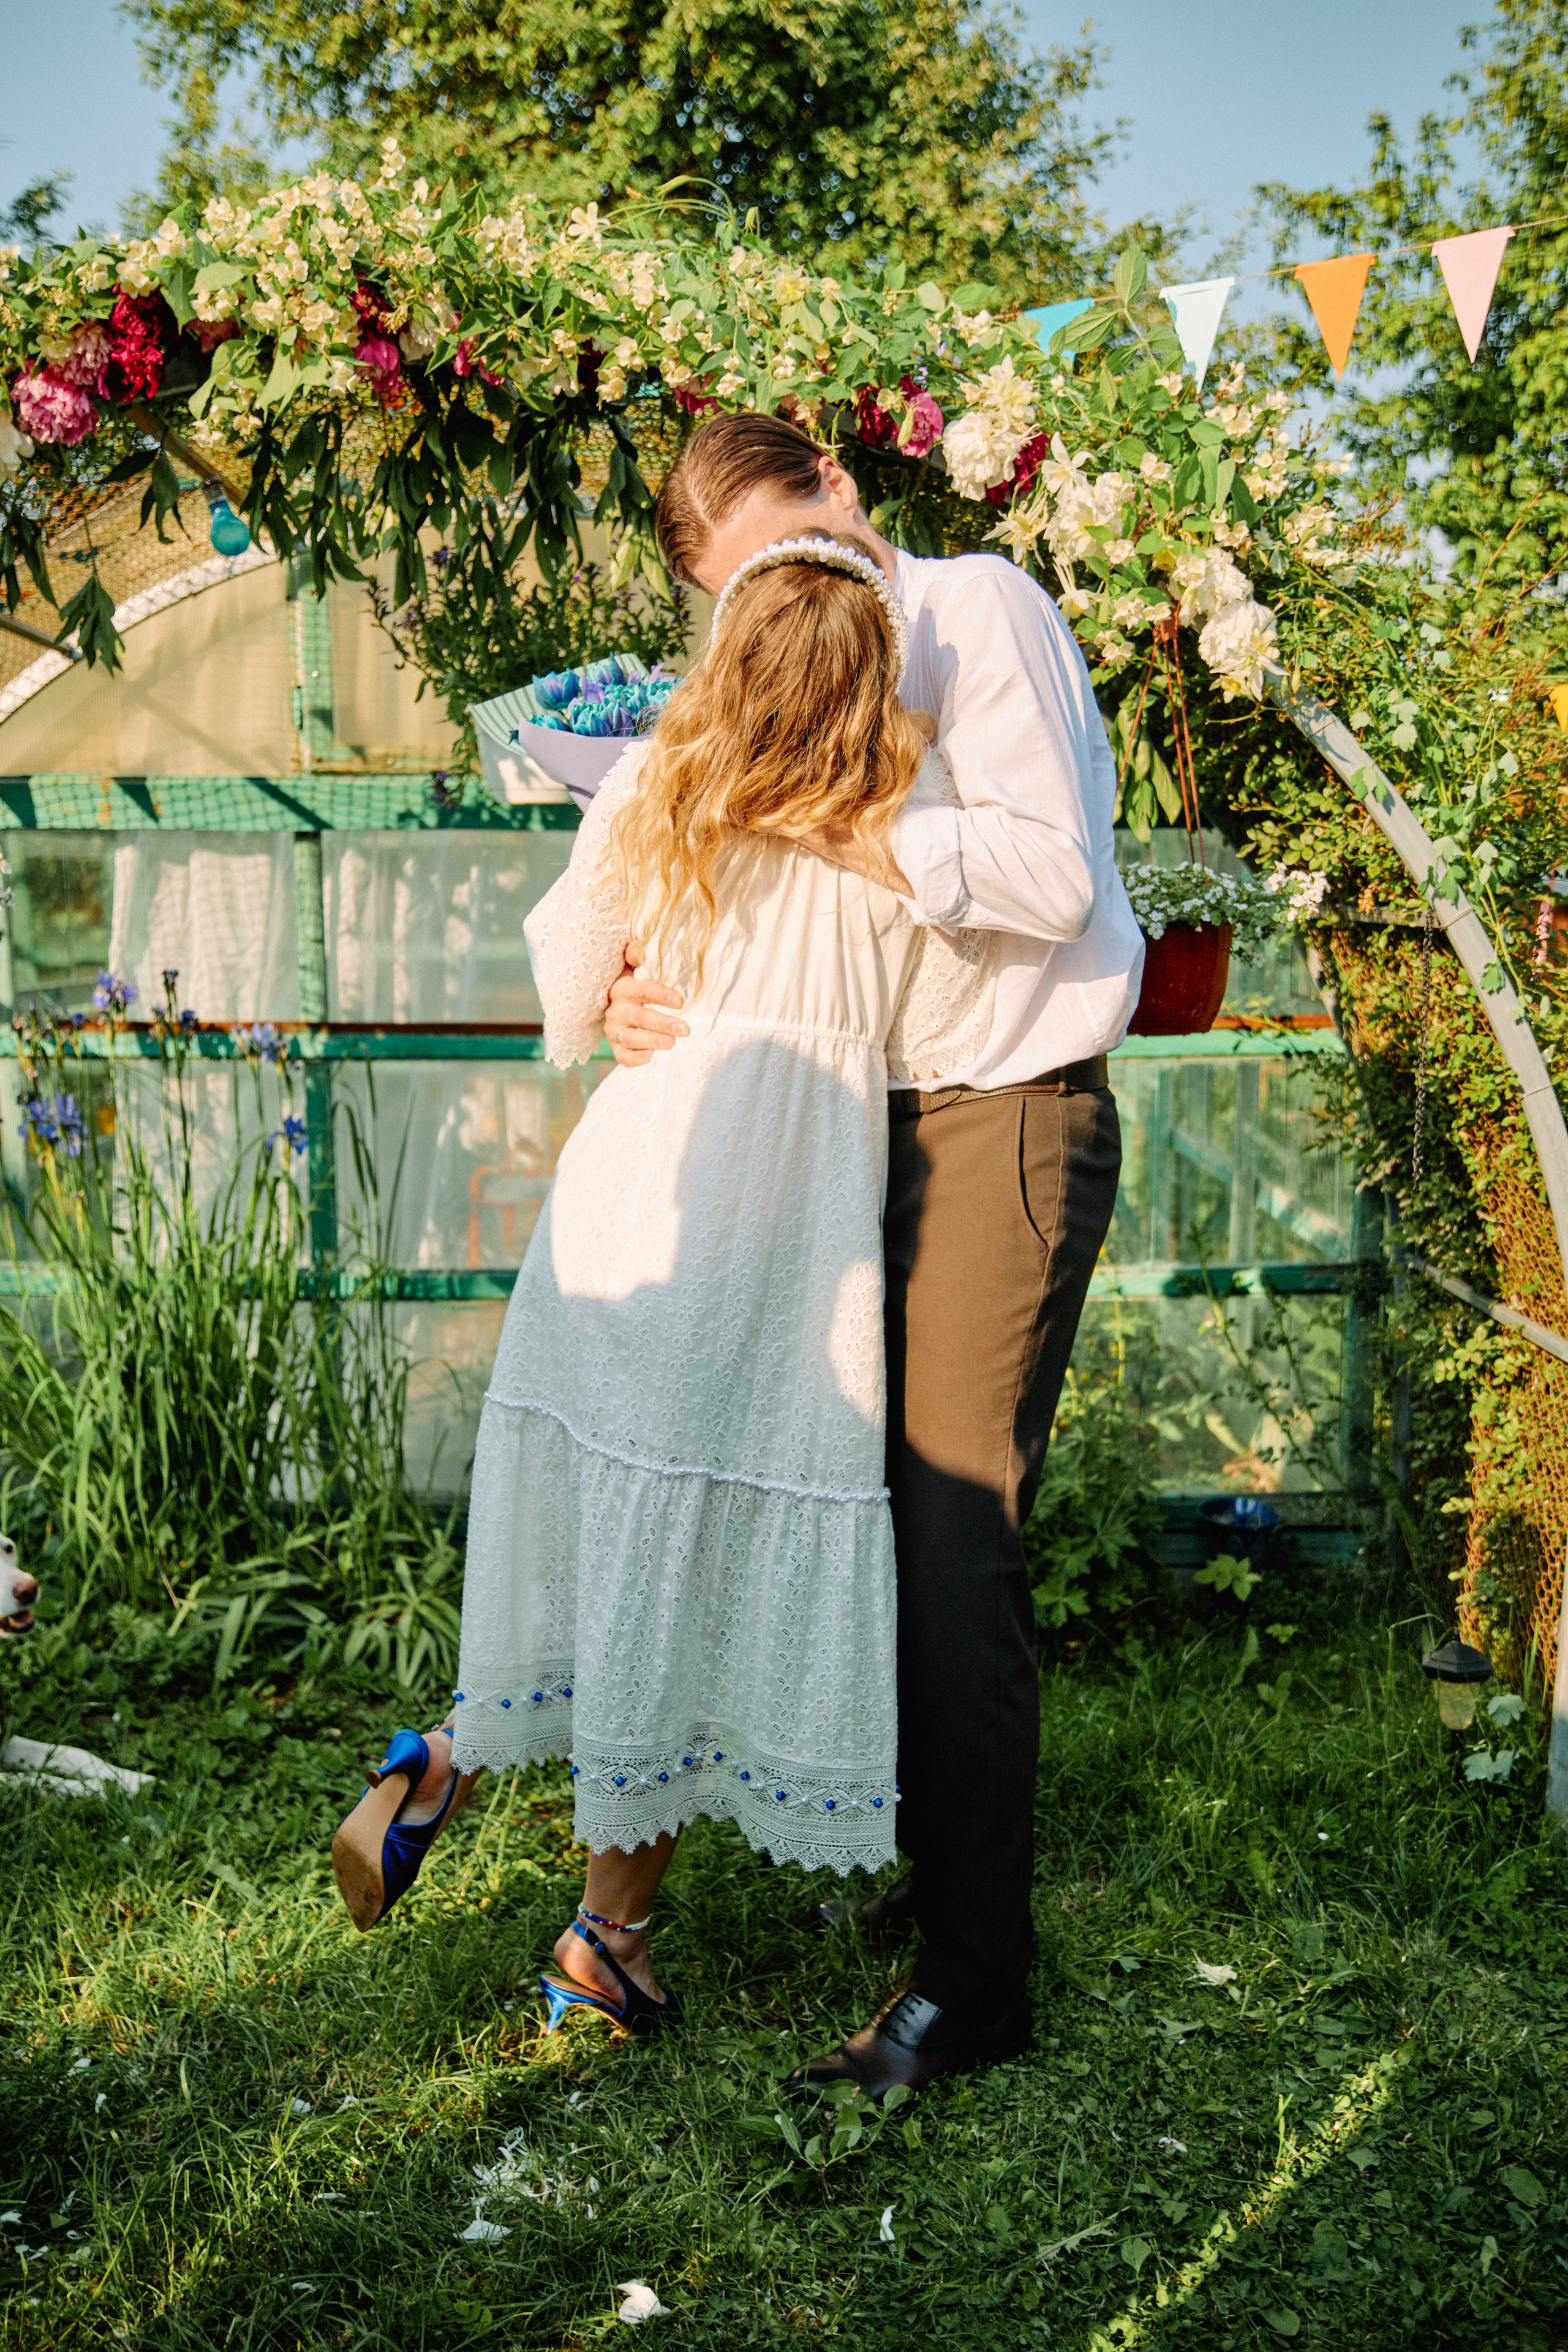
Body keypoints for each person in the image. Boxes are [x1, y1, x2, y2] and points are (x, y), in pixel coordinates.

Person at [331, 533, 1006, 2049]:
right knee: (690, 1576)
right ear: (868, 681)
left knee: (621, 1544)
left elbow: (568, 996)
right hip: (776, 1238)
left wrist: (643, 986)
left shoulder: (654, 783)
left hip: (634, 1199)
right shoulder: (901, 815)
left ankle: (443, 1761)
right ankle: (605, 1933)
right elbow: (934, 1039)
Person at [601, 413, 1140, 2097]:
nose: (773, 590)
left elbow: (1053, 881)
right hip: (860, 1127)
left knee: (955, 1537)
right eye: (734, 586)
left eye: (783, 545)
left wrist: (840, 823)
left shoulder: (980, 610)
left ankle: (977, 1989)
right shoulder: (800, 664)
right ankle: (931, 1877)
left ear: (840, 481)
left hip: (1006, 1119)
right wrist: (639, 993)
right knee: (855, 1513)